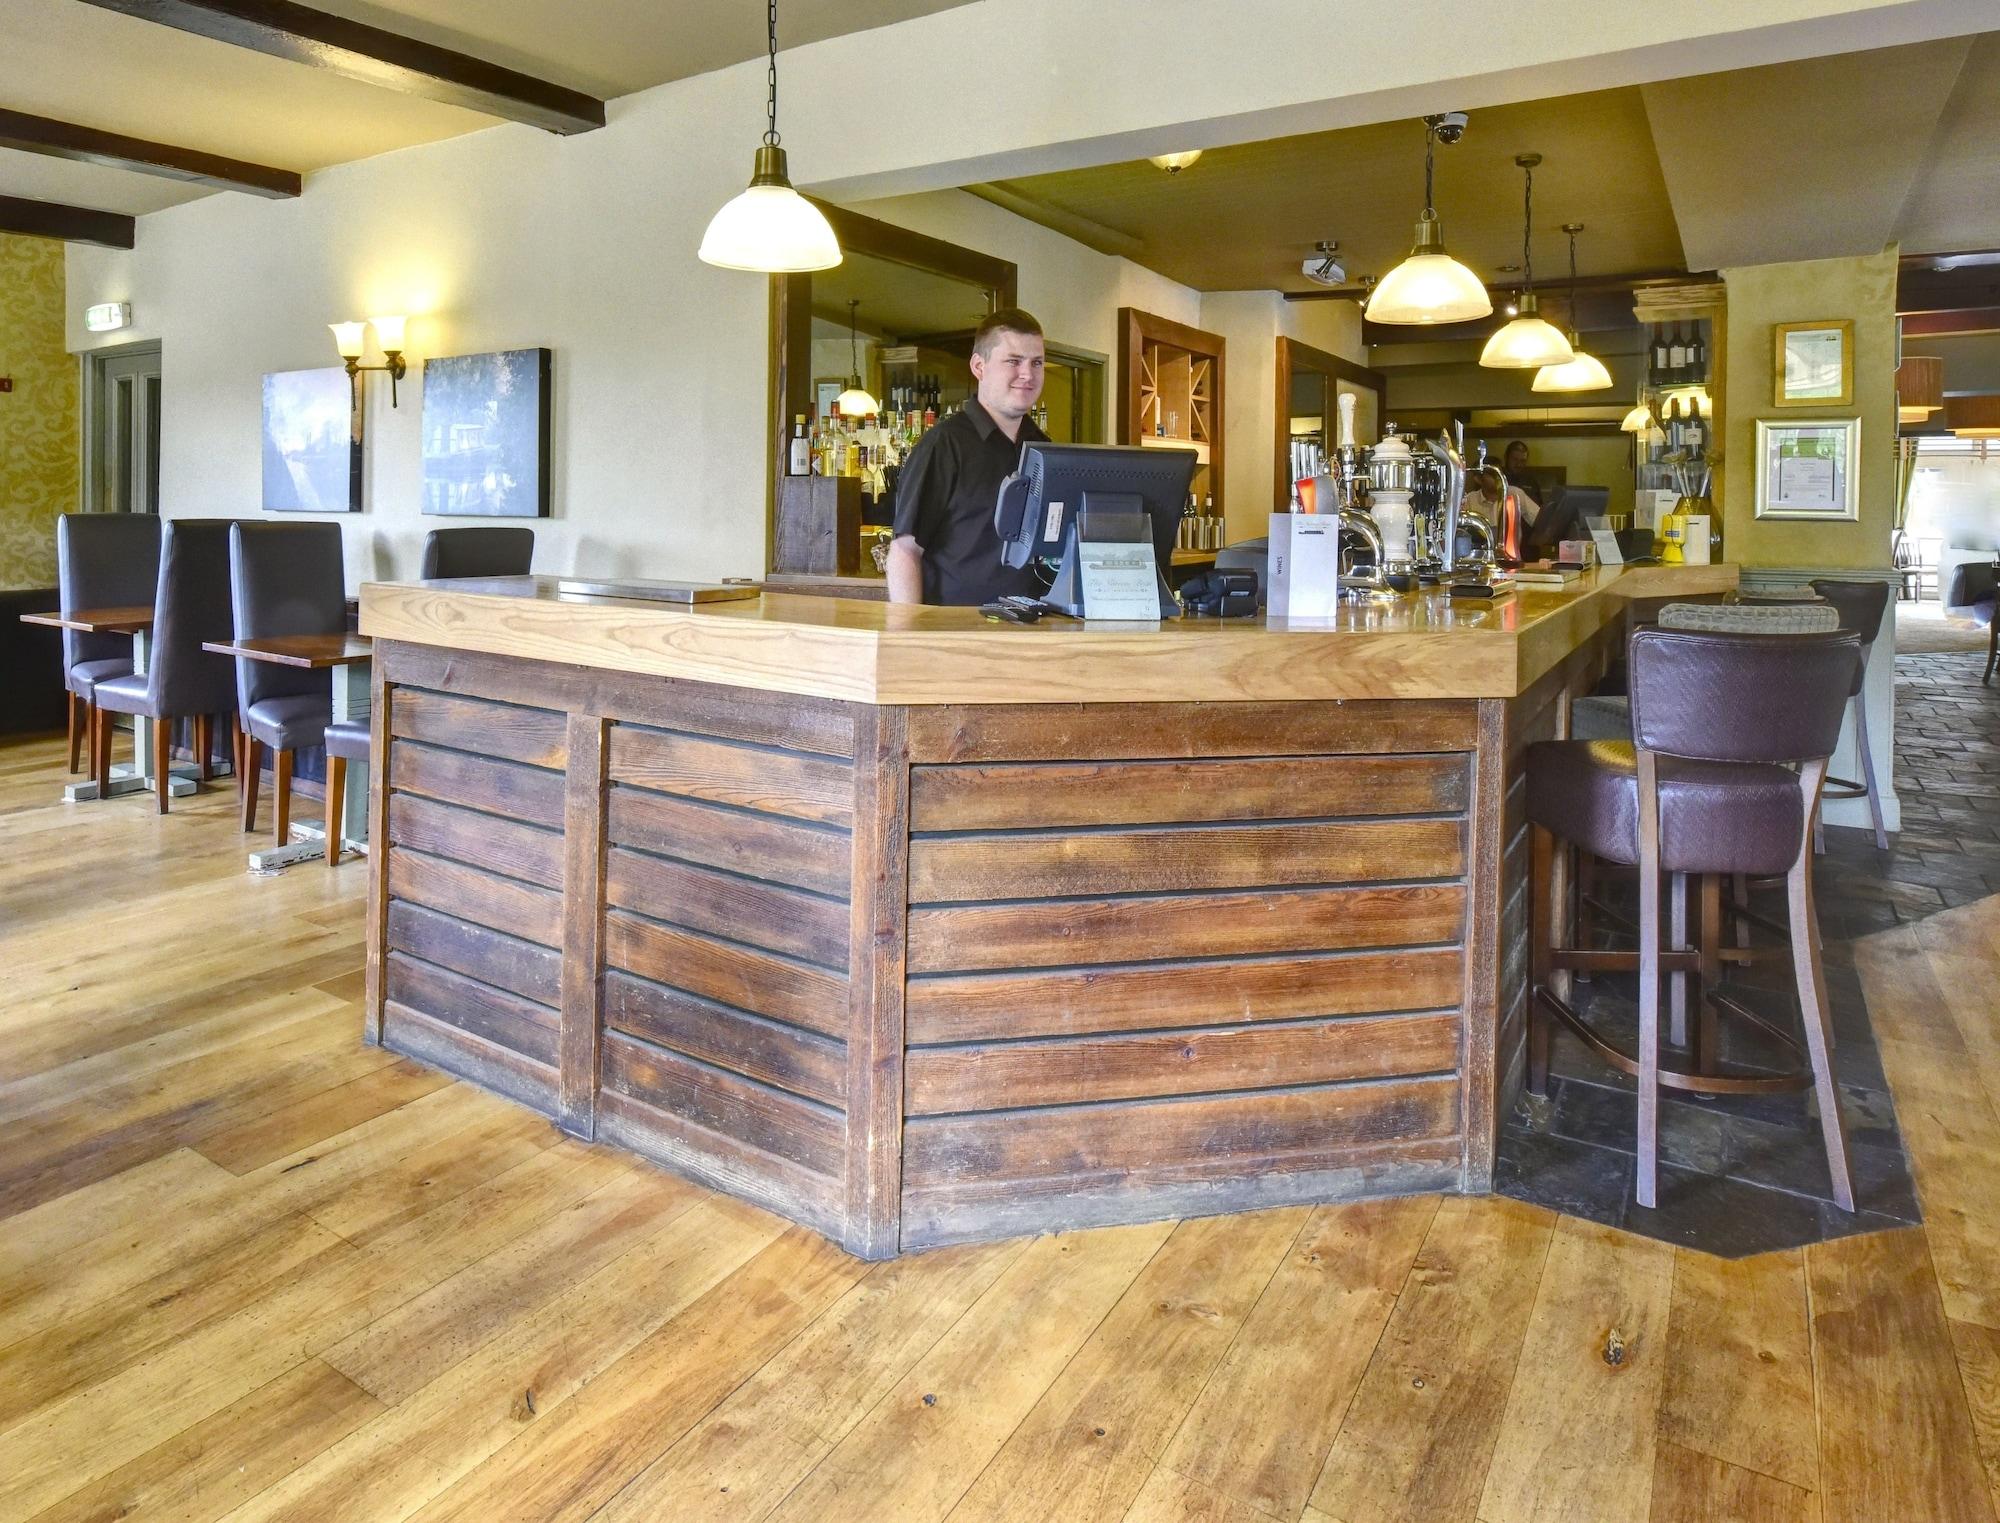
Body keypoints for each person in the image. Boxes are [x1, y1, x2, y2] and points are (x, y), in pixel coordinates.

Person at [886, 309, 1049, 605]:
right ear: (979, 366)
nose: (1027, 374)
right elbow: (905, 551)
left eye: (1036, 363)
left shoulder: (1044, 449)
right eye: (1013, 361)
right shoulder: (944, 444)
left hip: (1033, 635)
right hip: (957, 633)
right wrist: (909, 637)